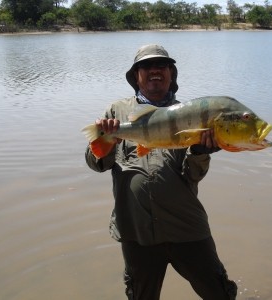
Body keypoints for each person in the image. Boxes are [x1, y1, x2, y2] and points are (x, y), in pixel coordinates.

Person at [85, 44, 237, 300]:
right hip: (136, 230)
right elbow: (96, 163)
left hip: (186, 227)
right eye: (146, 66)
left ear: (171, 74)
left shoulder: (190, 114)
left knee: (218, 292)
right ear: (136, 76)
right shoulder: (117, 112)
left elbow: (192, 176)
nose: (155, 70)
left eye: (162, 66)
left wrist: (200, 151)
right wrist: (108, 140)